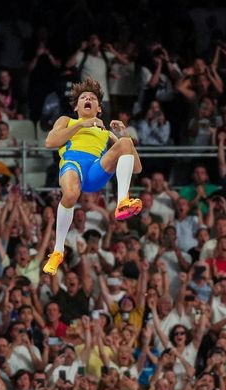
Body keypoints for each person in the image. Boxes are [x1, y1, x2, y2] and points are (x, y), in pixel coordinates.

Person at [42, 77, 143, 275]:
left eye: (92, 98)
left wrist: (124, 135)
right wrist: (81, 125)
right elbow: (50, 142)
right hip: (73, 165)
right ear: (77, 106)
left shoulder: (105, 132)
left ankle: (122, 201)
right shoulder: (67, 121)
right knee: (70, 194)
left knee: (125, 144)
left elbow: (137, 167)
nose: (88, 98)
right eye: (83, 97)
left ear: (99, 109)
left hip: (96, 171)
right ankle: (58, 251)